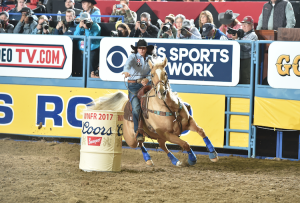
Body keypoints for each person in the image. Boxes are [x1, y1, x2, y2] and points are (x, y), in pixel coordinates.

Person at [122, 39, 153, 141]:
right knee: (136, 107)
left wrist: (147, 79)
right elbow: (128, 64)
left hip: (146, 85)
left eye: (143, 48)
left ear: (146, 49)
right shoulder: (133, 57)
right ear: (137, 49)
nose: (142, 50)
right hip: (133, 85)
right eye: (140, 48)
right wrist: (126, 71)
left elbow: (152, 71)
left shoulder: (150, 58)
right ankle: (138, 131)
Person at [232, 16, 258, 84]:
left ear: (252, 25)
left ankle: (247, 93)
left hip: (248, 59)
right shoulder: (242, 33)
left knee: (246, 77)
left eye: (246, 24)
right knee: (238, 77)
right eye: (243, 24)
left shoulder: (253, 35)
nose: (244, 26)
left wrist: (236, 40)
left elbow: (246, 48)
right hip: (240, 58)